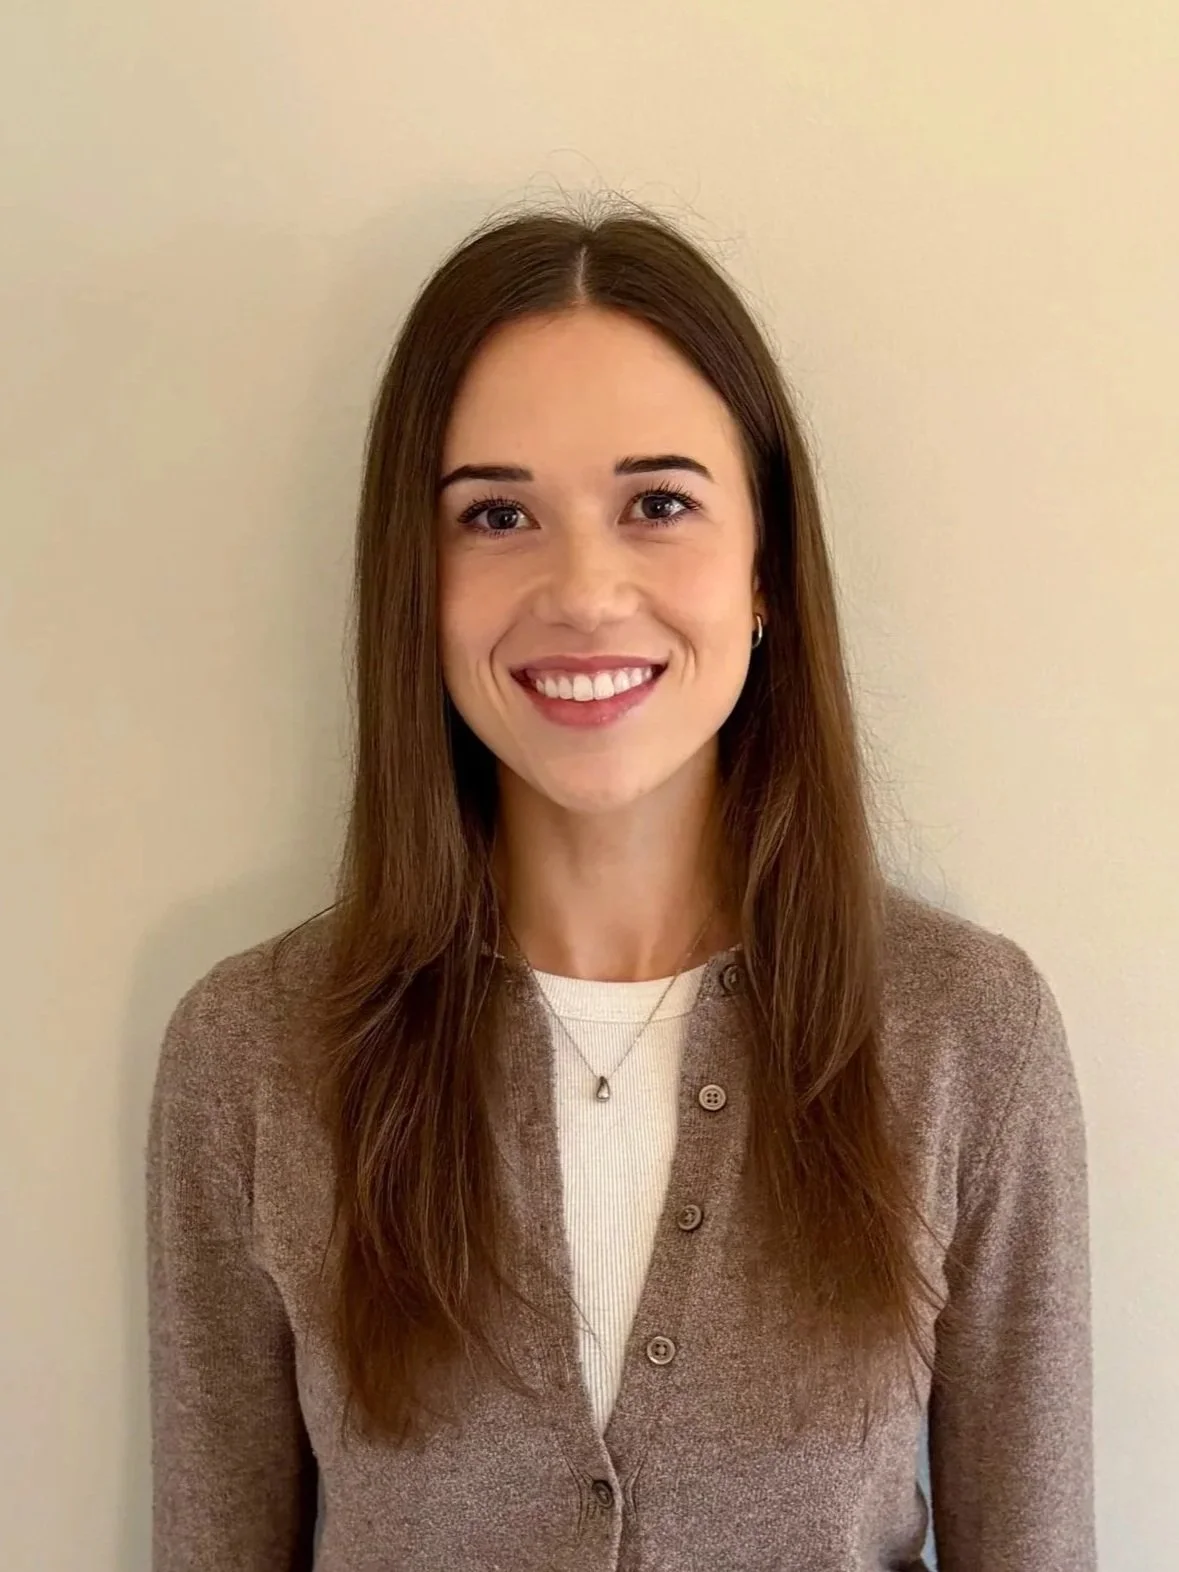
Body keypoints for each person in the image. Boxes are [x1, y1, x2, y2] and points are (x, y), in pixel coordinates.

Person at [146, 201, 1095, 1571]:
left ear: (763, 566)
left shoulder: (964, 1036)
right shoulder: (255, 1057)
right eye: (495, 514)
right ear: (417, 583)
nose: (583, 588)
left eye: (658, 504)